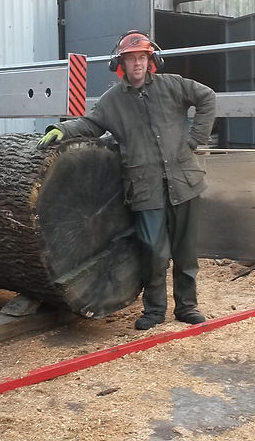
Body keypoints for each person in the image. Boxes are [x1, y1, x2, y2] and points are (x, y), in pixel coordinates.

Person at [36, 31, 216, 330]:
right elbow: (89, 124)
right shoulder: (113, 101)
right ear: (120, 64)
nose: (137, 64)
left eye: (142, 58)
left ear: (151, 60)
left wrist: (195, 138)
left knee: (186, 252)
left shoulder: (172, 86)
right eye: (131, 59)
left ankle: (187, 307)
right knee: (153, 253)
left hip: (184, 182)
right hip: (145, 189)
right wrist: (63, 130)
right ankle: (155, 310)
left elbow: (207, 97)